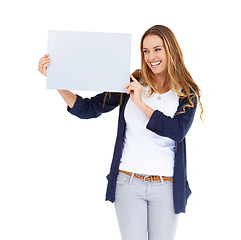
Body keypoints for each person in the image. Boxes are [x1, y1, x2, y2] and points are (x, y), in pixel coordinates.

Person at [38, 25, 203, 240]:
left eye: (157, 49)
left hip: (167, 186)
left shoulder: (186, 91)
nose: (151, 56)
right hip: (128, 183)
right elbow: (89, 108)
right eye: (145, 51)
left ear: (170, 50)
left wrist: (141, 103)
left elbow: (177, 131)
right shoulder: (133, 82)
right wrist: (56, 79)